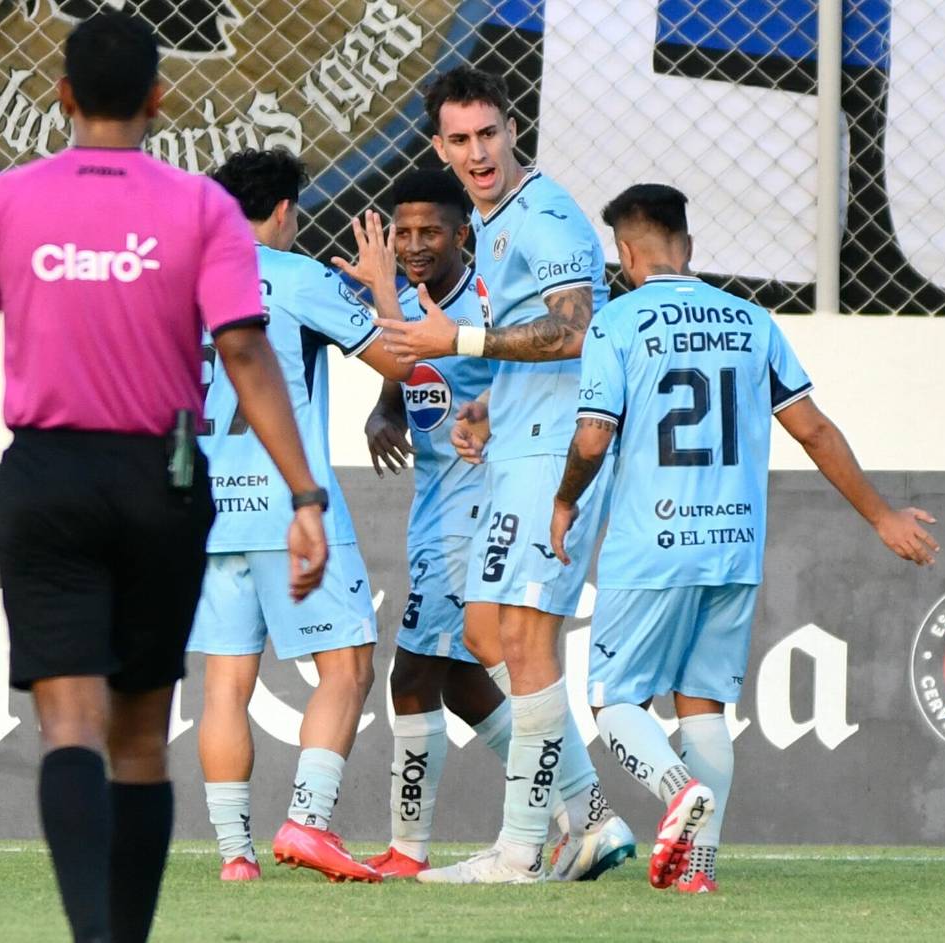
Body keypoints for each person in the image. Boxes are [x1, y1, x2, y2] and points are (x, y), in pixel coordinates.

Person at [0, 15, 327, 942]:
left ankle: (91, 936)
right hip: (163, 477)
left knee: (69, 726)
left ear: (63, 96)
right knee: (140, 736)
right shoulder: (202, 208)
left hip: (50, 477)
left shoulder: (6, 200)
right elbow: (245, 351)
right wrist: (304, 493)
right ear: (158, 97)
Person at [549, 183, 940, 893]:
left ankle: (675, 791)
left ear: (626, 253)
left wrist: (565, 499)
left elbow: (592, 433)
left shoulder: (617, 321)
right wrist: (884, 515)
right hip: (733, 544)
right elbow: (814, 429)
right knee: (703, 704)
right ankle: (699, 868)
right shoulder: (751, 320)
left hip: (651, 546)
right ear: (688, 248)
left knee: (614, 701)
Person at [374, 66, 634, 884]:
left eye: (489, 133)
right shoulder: (491, 221)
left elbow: (576, 331)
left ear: (512, 128)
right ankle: (587, 819)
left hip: (558, 446)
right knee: (485, 633)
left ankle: (521, 850)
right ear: (439, 145)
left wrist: (464, 347)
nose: (478, 152)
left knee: (518, 635)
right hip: (518, 438)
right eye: (460, 139)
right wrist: (490, 403)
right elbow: (527, 337)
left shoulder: (547, 215)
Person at [187, 149, 411, 885]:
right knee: (346, 664)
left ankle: (234, 857)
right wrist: (382, 287)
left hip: (208, 511)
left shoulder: (186, 283)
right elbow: (401, 363)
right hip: (291, 504)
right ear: (285, 211)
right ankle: (308, 823)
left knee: (225, 681)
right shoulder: (299, 277)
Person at [359, 169, 515, 878]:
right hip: (437, 511)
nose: (415, 244)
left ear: (462, 234)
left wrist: (492, 431)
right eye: (405, 232)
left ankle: (407, 848)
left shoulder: (486, 306)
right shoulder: (420, 305)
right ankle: (583, 806)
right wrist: (388, 405)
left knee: (413, 676)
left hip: (470, 516)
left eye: (430, 231)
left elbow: (532, 383)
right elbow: (410, 361)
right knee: (460, 681)